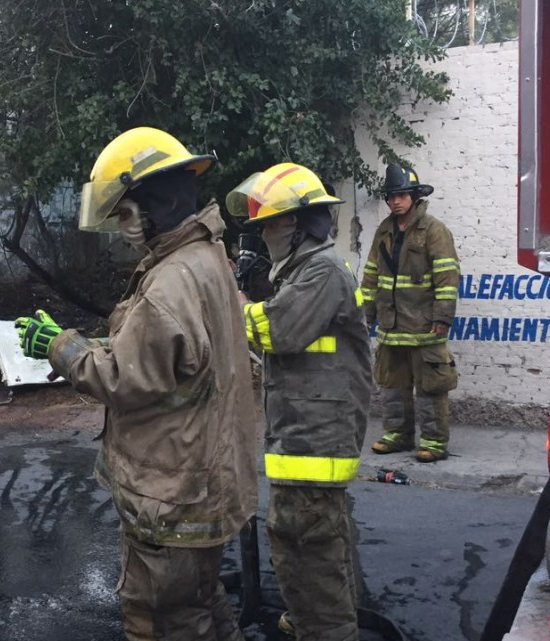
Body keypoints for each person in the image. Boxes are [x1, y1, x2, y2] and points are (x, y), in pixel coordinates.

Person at [15, 127, 258, 641]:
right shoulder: (207, 257)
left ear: (157, 203)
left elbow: (123, 377)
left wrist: (59, 346)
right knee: (204, 605)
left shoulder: (171, 281)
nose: (124, 229)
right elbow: (166, 359)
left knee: (161, 621)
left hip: (172, 498)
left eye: (125, 214)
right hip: (203, 484)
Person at [227, 162, 373, 641]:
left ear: (298, 223)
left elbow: (277, 330)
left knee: (303, 539)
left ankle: (324, 626)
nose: (264, 234)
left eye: (270, 223)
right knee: (325, 538)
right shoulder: (310, 271)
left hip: (315, 439)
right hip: (309, 429)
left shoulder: (323, 272)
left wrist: (229, 305)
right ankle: (325, 615)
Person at [361, 164, 460, 463]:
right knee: (391, 385)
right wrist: (366, 316)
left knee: (430, 387)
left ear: (414, 197)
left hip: (424, 326)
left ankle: (433, 441)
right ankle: (397, 434)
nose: (395, 201)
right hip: (391, 326)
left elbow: (447, 276)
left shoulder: (434, 230)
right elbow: (370, 276)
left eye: (401, 195)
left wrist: (442, 318)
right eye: (391, 196)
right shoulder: (384, 230)